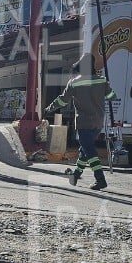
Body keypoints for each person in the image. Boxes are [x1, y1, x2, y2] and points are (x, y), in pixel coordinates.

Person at [45, 53, 114, 190]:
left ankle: (100, 179)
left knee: (89, 150)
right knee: (84, 150)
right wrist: (105, 85)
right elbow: (112, 96)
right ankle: (75, 175)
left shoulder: (74, 82)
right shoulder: (101, 80)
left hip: (84, 122)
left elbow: (63, 100)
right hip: (98, 123)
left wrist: (49, 108)